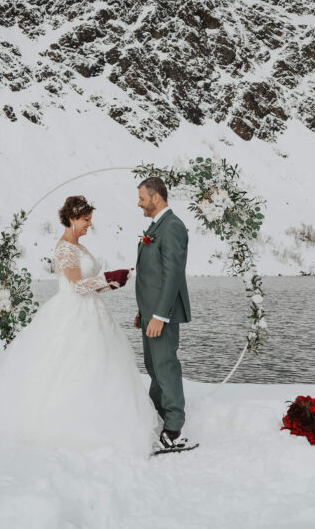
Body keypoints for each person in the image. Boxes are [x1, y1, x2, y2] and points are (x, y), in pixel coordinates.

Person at [0, 195, 157, 454]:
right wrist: (106, 277)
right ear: (71, 218)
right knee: (71, 365)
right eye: (85, 219)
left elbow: (90, 285)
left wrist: (112, 282)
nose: (89, 224)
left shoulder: (80, 247)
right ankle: (68, 428)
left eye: (90, 219)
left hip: (93, 311)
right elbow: (75, 286)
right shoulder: (65, 249)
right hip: (73, 313)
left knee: (102, 365)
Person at [135, 176, 193, 452]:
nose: (139, 203)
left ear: (156, 197)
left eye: (142, 198)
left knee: (166, 367)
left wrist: (160, 315)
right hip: (150, 313)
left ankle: (174, 429)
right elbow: (152, 276)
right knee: (153, 367)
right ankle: (160, 415)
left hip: (162, 315)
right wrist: (143, 312)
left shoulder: (172, 227)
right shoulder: (158, 225)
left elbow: (172, 275)